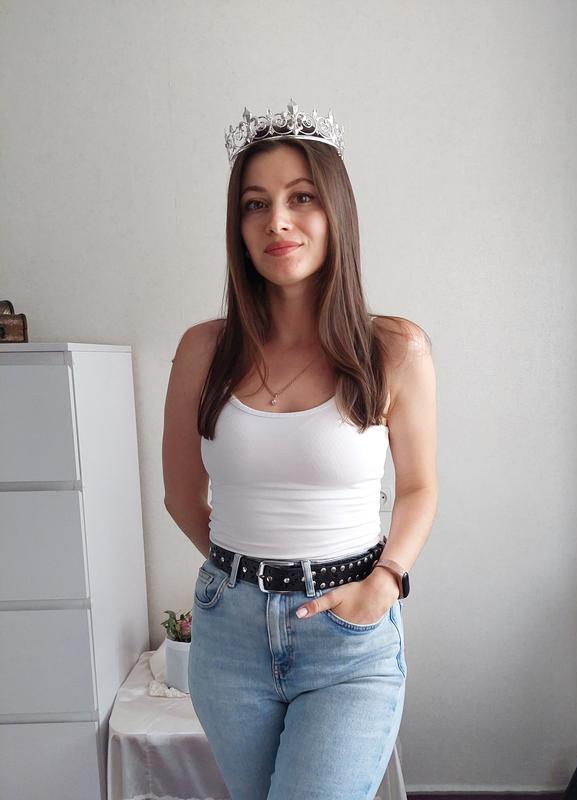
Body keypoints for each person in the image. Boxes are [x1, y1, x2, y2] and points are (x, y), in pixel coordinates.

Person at [162, 98, 438, 800]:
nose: (277, 221)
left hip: (348, 630)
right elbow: (180, 494)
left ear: (335, 210)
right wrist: (247, 578)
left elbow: (418, 487)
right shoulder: (202, 350)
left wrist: (386, 580)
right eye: (255, 204)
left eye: (301, 197)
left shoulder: (394, 348)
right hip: (230, 639)